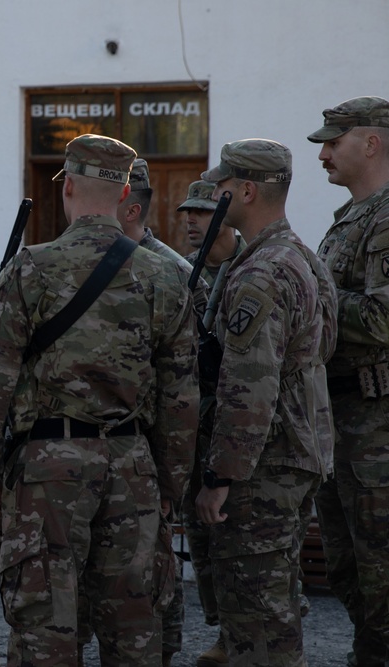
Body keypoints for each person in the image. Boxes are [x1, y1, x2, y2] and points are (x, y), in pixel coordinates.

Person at [0, 134, 198, 666]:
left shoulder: (31, 269)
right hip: (133, 465)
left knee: (46, 624)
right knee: (135, 627)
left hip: (50, 467)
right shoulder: (164, 275)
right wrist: (171, 481)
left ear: (67, 187)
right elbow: (182, 393)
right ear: (121, 196)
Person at [195, 138, 338, 666]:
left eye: (223, 189)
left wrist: (221, 477)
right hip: (302, 449)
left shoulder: (260, 272)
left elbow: (249, 385)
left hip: (264, 463)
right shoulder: (303, 257)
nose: (216, 197)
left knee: (257, 610)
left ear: (247, 191)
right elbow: (323, 350)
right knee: (274, 596)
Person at [74, 157, 205, 666]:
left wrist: (175, 476)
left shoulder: (172, 272)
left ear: (128, 205)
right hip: (88, 448)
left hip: (142, 451)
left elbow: (186, 381)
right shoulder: (76, 259)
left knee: (147, 578)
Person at [309, 95, 389, 667]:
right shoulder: (351, 221)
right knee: (347, 567)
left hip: (376, 424)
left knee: (381, 572)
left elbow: (384, 317)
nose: (323, 153)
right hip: (341, 421)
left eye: (333, 142)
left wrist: (312, 303)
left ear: (372, 141)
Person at [176, 178, 246, 667]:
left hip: (241, 429)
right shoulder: (188, 275)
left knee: (247, 537)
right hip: (196, 428)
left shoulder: (251, 268)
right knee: (202, 538)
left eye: (202, 212)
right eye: (187, 213)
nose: (191, 222)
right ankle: (225, 630)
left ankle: (252, 632)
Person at [181, 179, 245, 286]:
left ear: (226, 213)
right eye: (189, 212)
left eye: (202, 211)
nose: (189, 220)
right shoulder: (183, 269)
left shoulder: (253, 263)